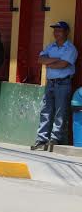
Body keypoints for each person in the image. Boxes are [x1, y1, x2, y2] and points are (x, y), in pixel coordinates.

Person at [32, 21, 78, 151]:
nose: (56, 33)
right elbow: (40, 59)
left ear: (66, 33)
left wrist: (50, 62)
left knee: (60, 112)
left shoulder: (70, 48)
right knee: (45, 110)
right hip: (50, 83)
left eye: (59, 30)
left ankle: (55, 139)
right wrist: (55, 60)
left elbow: (63, 64)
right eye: (55, 30)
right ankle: (41, 139)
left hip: (63, 83)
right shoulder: (50, 46)